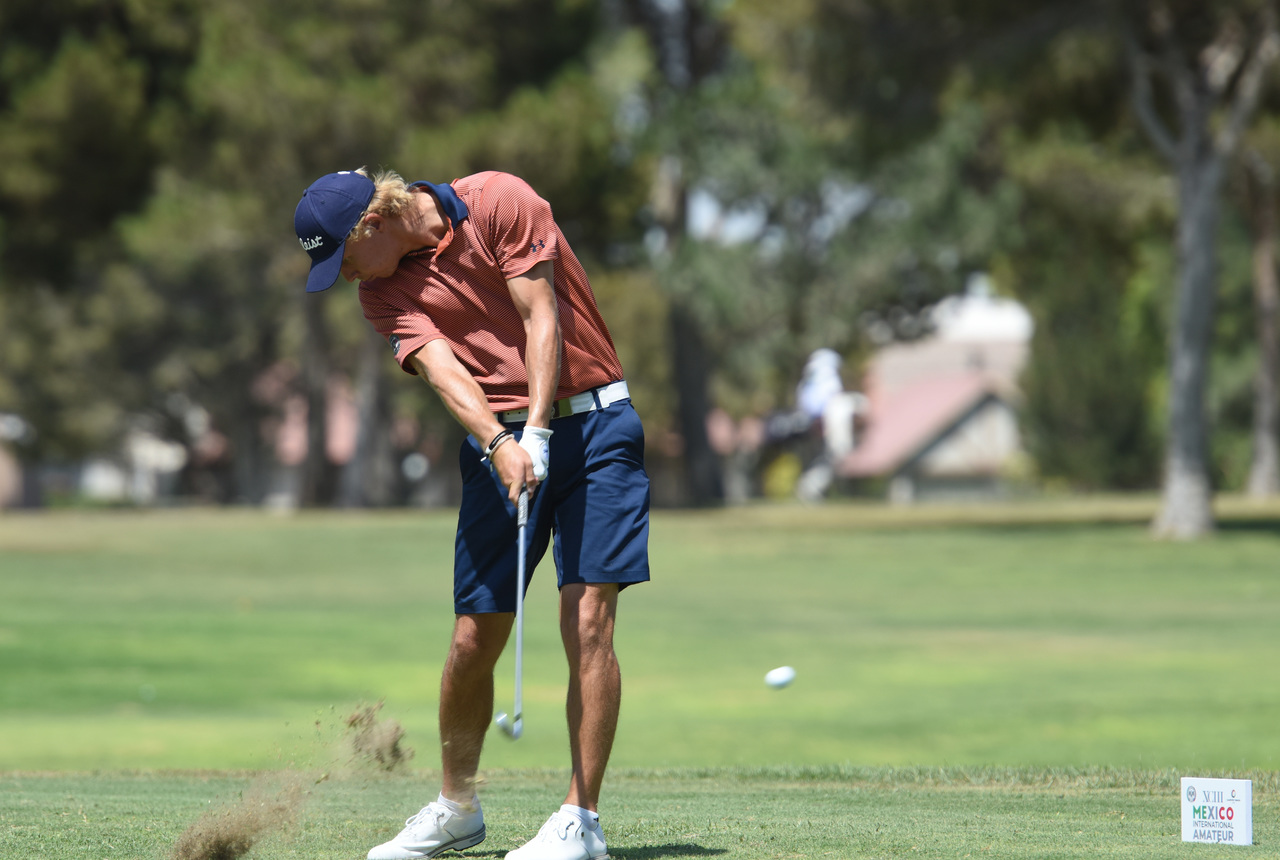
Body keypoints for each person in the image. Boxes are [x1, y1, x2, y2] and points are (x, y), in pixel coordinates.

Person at [294, 167, 650, 860]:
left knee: (587, 619)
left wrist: (537, 431)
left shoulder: (497, 202)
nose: (342, 276)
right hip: (498, 443)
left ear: (373, 224)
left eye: (342, 257)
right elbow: (444, 371)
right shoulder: (381, 290)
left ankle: (580, 821)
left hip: (596, 431)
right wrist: (500, 443)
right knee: (471, 636)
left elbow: (540, 316)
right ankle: (457, 807)